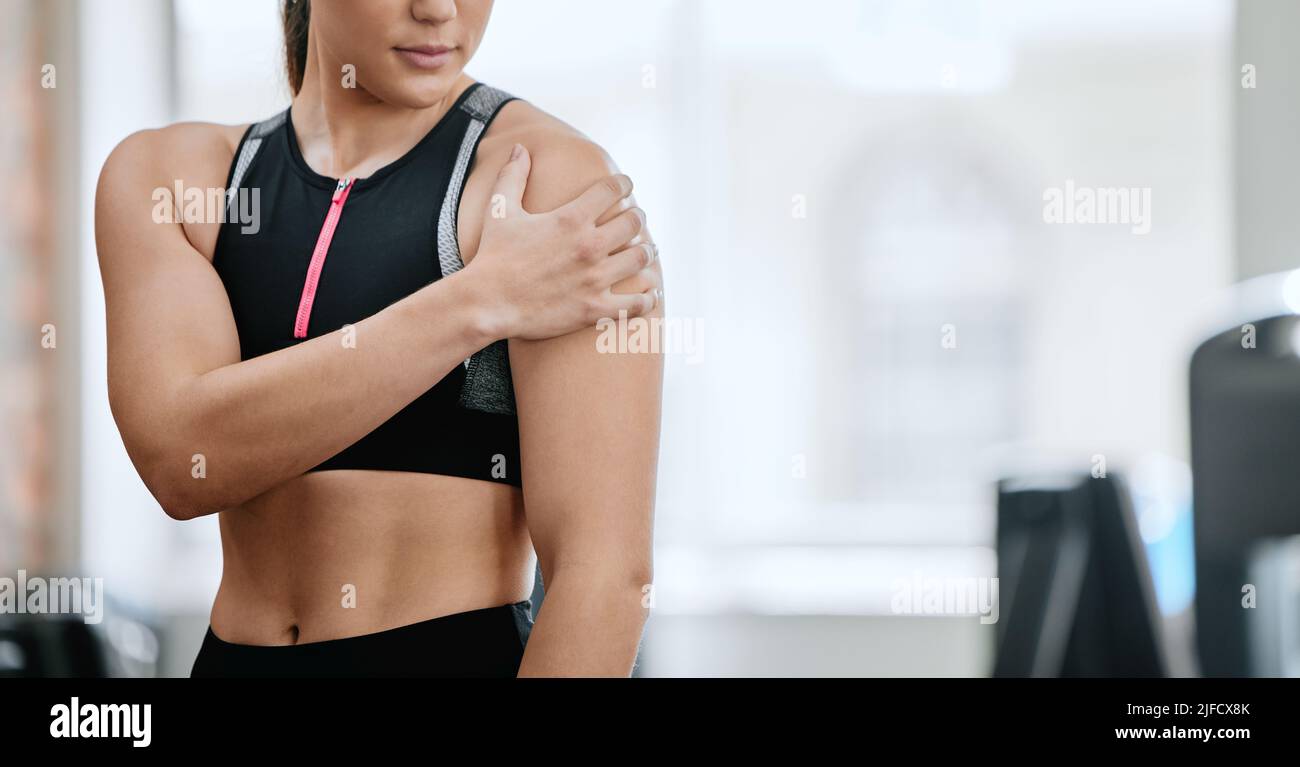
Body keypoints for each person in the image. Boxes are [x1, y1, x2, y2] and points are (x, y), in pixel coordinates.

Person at [94, 0, 663, 677]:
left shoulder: (551, 188)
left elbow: (604, 579)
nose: (438, 10)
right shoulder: (177, 180)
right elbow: (182, 462)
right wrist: (479, 300)